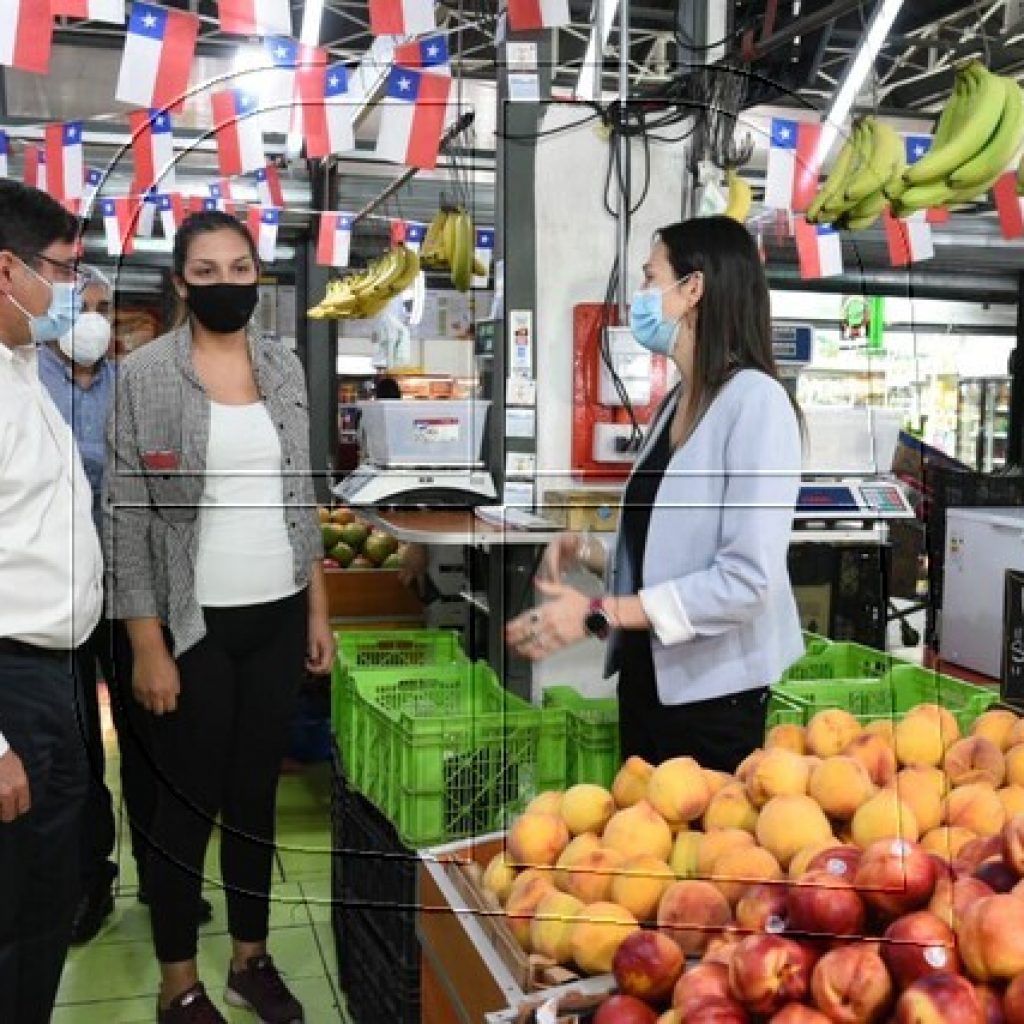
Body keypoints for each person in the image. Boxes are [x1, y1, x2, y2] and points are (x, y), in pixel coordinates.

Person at [104, 209, 335, 1024]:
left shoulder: (282, 363)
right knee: (186, 805)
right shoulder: (148, 377)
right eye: (208, 272)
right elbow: (125, 515)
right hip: (191, 625)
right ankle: (177, 982)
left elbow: (299, 495)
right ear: (180, 282)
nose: (228, 284)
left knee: (254, 799)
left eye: (240, 268)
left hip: (274, 615)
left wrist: (318, 609)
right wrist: (145, 643)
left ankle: (249, 959)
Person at [507, 216, 804, 773]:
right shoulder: (679, 399)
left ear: (692, 289)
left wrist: (597, 613)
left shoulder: (756, 404)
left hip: (713, 698)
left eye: (650, 278)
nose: (640, 296)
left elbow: (746, 582)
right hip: (650, 677)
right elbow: (670, 548)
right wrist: (593, 553)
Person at [38, 268, 214, 943]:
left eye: (105, 307)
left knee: (153, 748)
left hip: (135, 593)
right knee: (80, 751)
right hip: (58, 597)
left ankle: (162, 879)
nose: (95, 320)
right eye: (82, 307)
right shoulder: (29, 385)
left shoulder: (130, 385)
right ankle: (91, 880)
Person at [0, 180, 104, 1023]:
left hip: (56, 674)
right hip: (10, 683)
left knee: (47, 887)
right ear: (8, 270)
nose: (77, 289)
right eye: (65, 270)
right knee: (14, 902)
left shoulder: (23, 364)